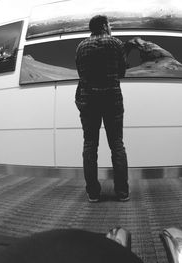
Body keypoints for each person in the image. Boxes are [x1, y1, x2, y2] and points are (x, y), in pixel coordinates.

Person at [75, 15, 129, 203]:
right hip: (112, 99)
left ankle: (93, 193)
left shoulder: (81, 46)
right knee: (117, 145)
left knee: (90, 145)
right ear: (105, 26)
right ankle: (122, 192)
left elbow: (80, 73)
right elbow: (122, 71)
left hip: (89, 101)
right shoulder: (115, 43)